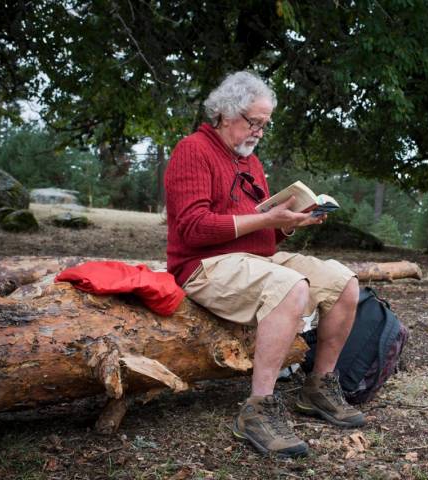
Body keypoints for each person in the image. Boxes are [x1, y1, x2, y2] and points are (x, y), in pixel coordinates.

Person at [164, 71, 364, 458]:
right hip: (204, 266)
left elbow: (263, 236)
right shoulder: (193, 150)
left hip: (256, 259)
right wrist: (268, 221)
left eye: (264, 125)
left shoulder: (251, 162)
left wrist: (291, 223)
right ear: (224, 114)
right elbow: (192, 229)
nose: (257, 132)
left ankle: (318, 386)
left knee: (343, 282)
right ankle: (257, 409)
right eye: (252, 122)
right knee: (291, 286)